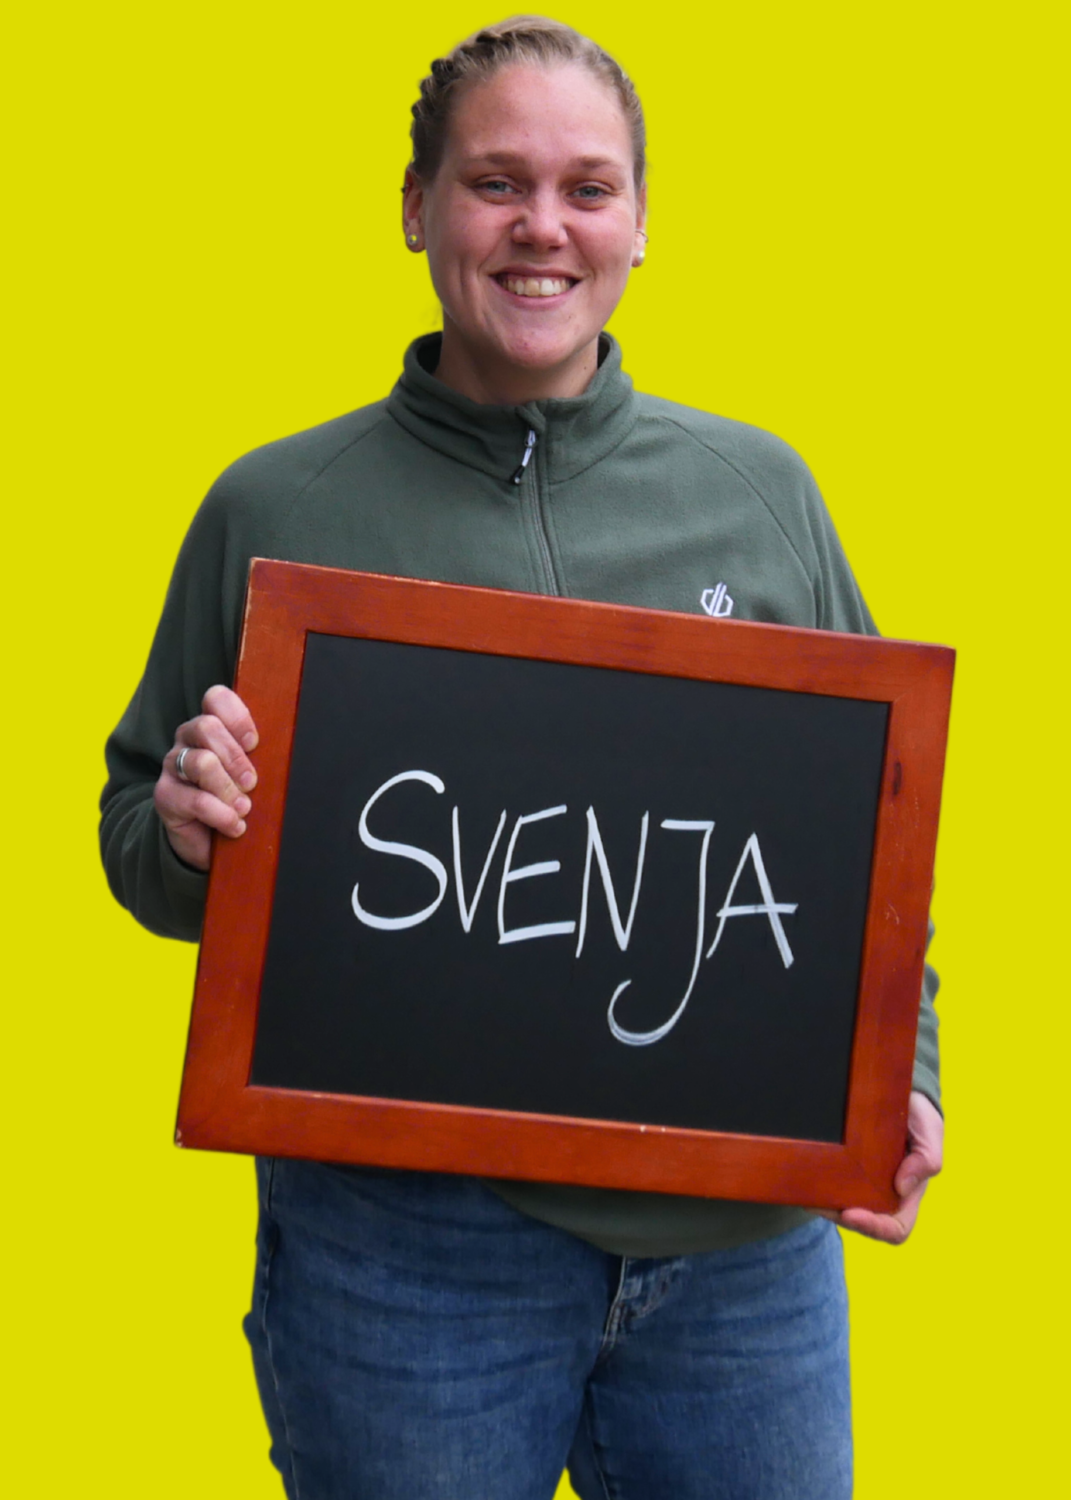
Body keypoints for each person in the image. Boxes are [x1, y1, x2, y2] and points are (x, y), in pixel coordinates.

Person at [100, 16, 943, 1498]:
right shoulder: (276, 509)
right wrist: (181, 827)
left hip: (741, 1266)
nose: (542, 226)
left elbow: (868, 842)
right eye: (496, 182)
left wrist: (903, 1076)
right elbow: (139, 835)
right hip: (404, 1259)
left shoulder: (759, 494)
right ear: (416, 206)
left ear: (639, 222)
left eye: (586, 187)